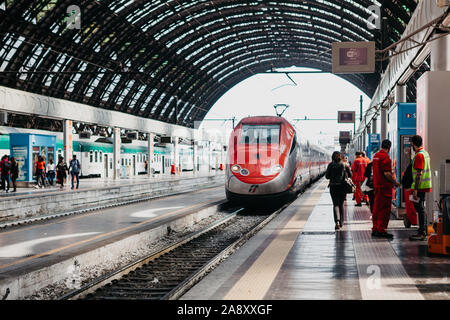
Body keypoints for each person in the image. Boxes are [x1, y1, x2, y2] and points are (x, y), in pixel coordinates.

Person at [372, 140, 401, 238]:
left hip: (377, 187)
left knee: (376, 208)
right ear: (389, 147)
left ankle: (375, 228)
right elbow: (387, 174)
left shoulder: (376, 156)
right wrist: (395, 182)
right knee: (384, 209)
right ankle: (381, 229)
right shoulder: (385, 157)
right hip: (384, 188)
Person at [409, 135, 432, 241]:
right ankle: (423, 230)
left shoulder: (419, 156)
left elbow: (419, 173)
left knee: (420, 208)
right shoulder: (425, 153)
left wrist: (415, 189)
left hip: (420, 186)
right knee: (421, 207)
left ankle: (422, 232)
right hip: (424, 185)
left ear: (413, 144)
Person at [326, 151, 352, 230]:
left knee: (335, 204)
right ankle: (341, 222)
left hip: (333, 187)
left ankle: (337, 221)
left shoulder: (330, 165)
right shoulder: (345, 165)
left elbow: (327, 176)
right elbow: (350, 175)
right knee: (341, 204)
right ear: (340, 157)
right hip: (343, 187)